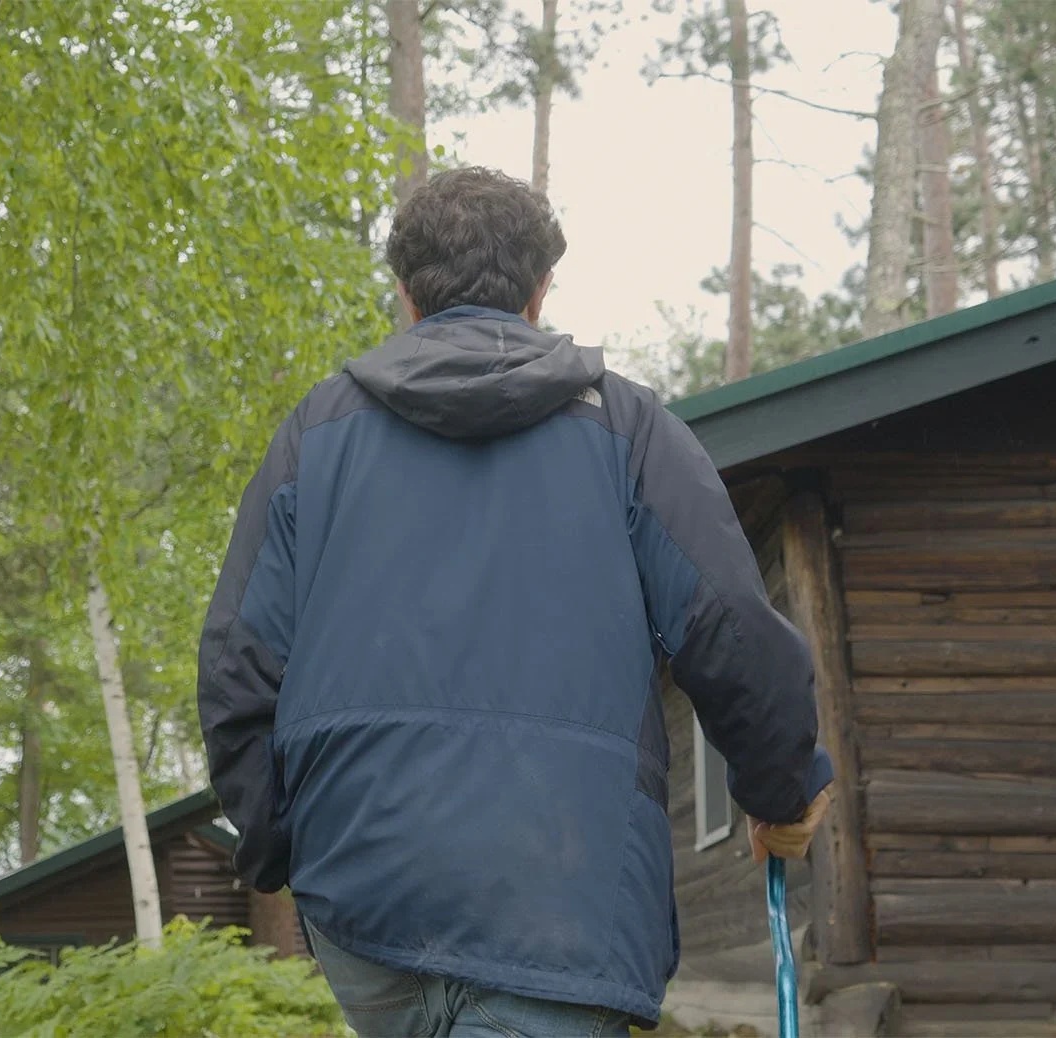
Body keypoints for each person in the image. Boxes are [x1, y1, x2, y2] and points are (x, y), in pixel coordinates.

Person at [198, 166, 833, 1037]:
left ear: (404, 294)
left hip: (365, 893)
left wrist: (284, 843)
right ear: (540, 291)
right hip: (562, 900)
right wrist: (784, 792)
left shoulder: (316, 433)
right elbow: (727, 628)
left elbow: (240, 666)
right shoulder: (629, 428)